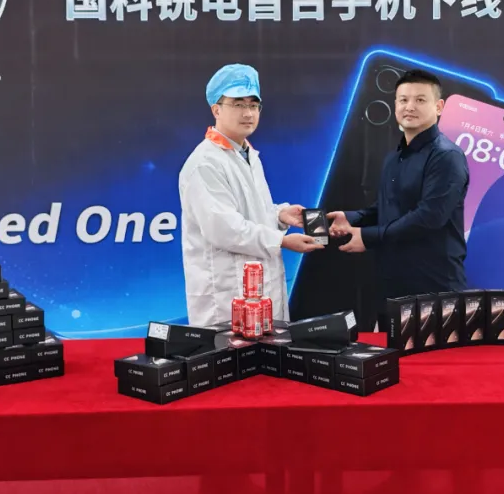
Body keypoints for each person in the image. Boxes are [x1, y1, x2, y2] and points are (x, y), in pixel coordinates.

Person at [179, 63, 322, 326]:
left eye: (254, 105)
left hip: (260, 289)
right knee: (231, 350)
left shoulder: (247, 154)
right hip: (227, 295)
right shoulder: (205, 163)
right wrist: (282, 240)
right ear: (216, 109)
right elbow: (224, 229)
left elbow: (249, 211)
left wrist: (280, 215)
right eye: (238, 104)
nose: (248, 113)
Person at [328, 68, 469, 302]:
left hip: (434, 287)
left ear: (439, 107)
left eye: (420, 100)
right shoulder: (395, 157)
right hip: (392, 285)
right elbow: (388, 207)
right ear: (395, 104)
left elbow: (429, 217)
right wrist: (352, 218)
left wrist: (368, 236)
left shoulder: (446, 156)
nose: (409, 107)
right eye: (403, 100)